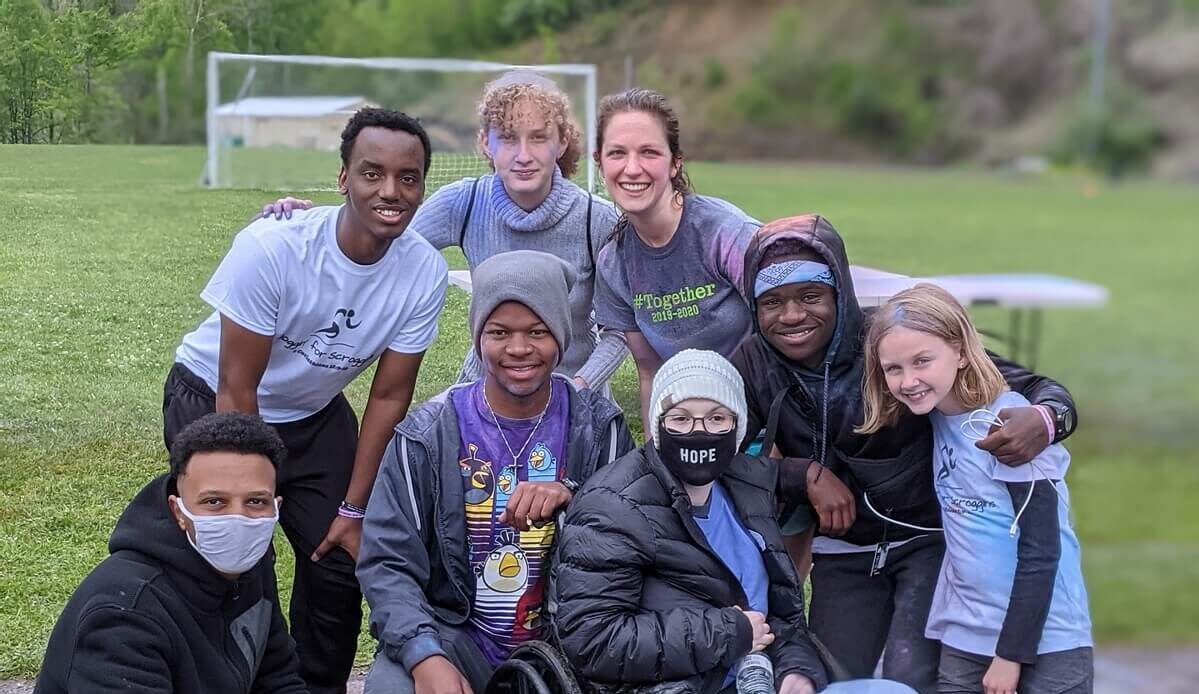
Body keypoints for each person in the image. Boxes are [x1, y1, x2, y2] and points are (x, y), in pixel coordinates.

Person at [728, 215, 1080, 693]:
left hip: (926, 540)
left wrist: (1046, 419)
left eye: (811, 296)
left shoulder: (890, 341)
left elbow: (1033, 386)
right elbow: (724, 458)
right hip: (843, 548)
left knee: (908, 678)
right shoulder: (752, 362)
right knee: (834, 676)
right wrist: (801, 474)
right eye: (772, 302)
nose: (791, 316)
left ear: (840, 294)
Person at [163, 108, 448, 693]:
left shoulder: (423, 271)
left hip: (312, 413)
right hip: (215, 400)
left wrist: (354, 509)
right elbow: (237, 389)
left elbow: (389, 396)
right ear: (343, 178)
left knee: (340, 558)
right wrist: (253, 500)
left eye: (408, 177)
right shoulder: (273, 248)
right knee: (241, 559)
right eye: (371, 173)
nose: (390, 191)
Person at [356, 250, 634, 694]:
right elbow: (388, 562)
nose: (519, 349)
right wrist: (425, 656)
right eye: (499, 332)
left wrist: (575, 497)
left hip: (570, 644)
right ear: (477, 336)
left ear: (561, 335)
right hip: (457, 638)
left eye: (538, 332)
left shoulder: (600, 430)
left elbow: (635, 542)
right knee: (393, 685)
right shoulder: (427, 436)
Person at [260, 71, 627, 392]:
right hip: (484, 389)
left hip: (573, 392)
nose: (524, 155)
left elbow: (620, 329)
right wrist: (309, 224)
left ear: (562, 142)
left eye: (539, 138)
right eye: (508, 138)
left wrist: (579, 387)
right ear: (485, 143)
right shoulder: (465, 203)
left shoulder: (595, 219)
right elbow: (380, 242)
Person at [858, 284, 1093, 694]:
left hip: (1048, 638)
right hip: (965, 633)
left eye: (922, 361)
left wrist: (1010, 655)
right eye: (893, 368)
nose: (909, 380)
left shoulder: (1010, 426)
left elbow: (1041, 550)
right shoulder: (934, 416)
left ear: (962, 352)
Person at [552, 349, 829, 694]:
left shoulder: (747, 484)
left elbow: (780, 617)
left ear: (738, 427)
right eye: (681, 419)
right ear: (658, 424)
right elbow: (594, 641)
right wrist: (729, 633)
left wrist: (796, 670)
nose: (700, 432)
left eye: (717, 418)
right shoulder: (611, 506)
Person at [35, 412, 306, 694]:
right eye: (214, 501)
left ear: (275, 507)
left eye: (255, 501)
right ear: (178, 511)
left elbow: (278, 678)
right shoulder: (126, 612)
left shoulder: (251, 563)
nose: (238, 518)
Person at [591, 88, 760, 424]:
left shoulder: (726, 234)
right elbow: (650, 373)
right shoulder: (614, 263)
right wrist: (655, 452)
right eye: (617, 153)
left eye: (649, 152)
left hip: (760, 420)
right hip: (689, 427)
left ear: (674, 163)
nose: (632, 168)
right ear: (600, 163)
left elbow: (784, 343)